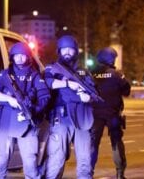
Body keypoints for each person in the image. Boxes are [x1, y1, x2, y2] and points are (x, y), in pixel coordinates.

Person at [0, 42, 50, 179]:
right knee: (0, 158)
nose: (20, 59)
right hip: (6, 121)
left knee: (30, 161)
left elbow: (44, 96)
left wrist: (33, 110)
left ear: (28, 57)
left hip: (27, 122)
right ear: (12, 57)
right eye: (17, 56)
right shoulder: (5, 74)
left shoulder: (34, 76)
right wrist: (9, 99)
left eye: (23, 56)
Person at [43, 35, 95, 179]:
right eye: (64, 49)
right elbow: (47, 82)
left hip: (82, 118)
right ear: (59, 51)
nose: (67, 52)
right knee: (56, 158)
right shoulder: (52, 68)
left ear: (75, 51)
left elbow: (93, 92)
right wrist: (67, 84)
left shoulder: (83, 72)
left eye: (70, 49)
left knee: (85, 160)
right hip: (62, 118)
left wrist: (87, 97)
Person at [90, 47, 131, 179]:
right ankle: (120, 173)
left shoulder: (91, 73)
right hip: (113, 114)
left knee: (93, 144)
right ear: (111, 59)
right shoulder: (117, 74)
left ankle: (88, 172)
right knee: (116, 143)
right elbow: (127, 91)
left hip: (95, 114)